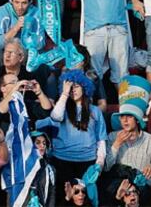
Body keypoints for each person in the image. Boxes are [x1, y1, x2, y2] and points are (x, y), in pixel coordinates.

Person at [37, 71, 106, 200]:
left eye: (76, 86)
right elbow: (56, 116)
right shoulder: (61, 107)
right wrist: (64, 93)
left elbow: (101, 140)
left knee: (85, 200)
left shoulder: (95, 111)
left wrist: (99, 164)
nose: (72, 90)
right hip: (62, 161)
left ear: (85, 88)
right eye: (70, 86)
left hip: (88, 161)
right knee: (64, 200)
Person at [105, 76, 151, 205]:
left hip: (141, 191)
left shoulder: (149, 139)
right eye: (122, 117)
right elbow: (106, 168)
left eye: (129, 116)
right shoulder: (113, 137)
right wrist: (116, 144)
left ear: (137, 119)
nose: (124, 120)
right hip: (117, 192)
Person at [0, 0, 43, 69]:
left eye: (24, 3)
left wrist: (28, 33)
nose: (20, 7)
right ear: (10, 0)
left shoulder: (36, 13)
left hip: (24, 48)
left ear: (31, 1)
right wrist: (15, 29)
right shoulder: (0, 12)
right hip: (4, 47)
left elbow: (40, 44)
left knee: (34, 56)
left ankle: (27, 81)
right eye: (16, 2)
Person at [0, 38, 51, 107]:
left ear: (21, 57)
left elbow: (37, 101)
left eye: (11, 52)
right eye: (5, 52)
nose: (7, 56)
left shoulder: (30, 76)